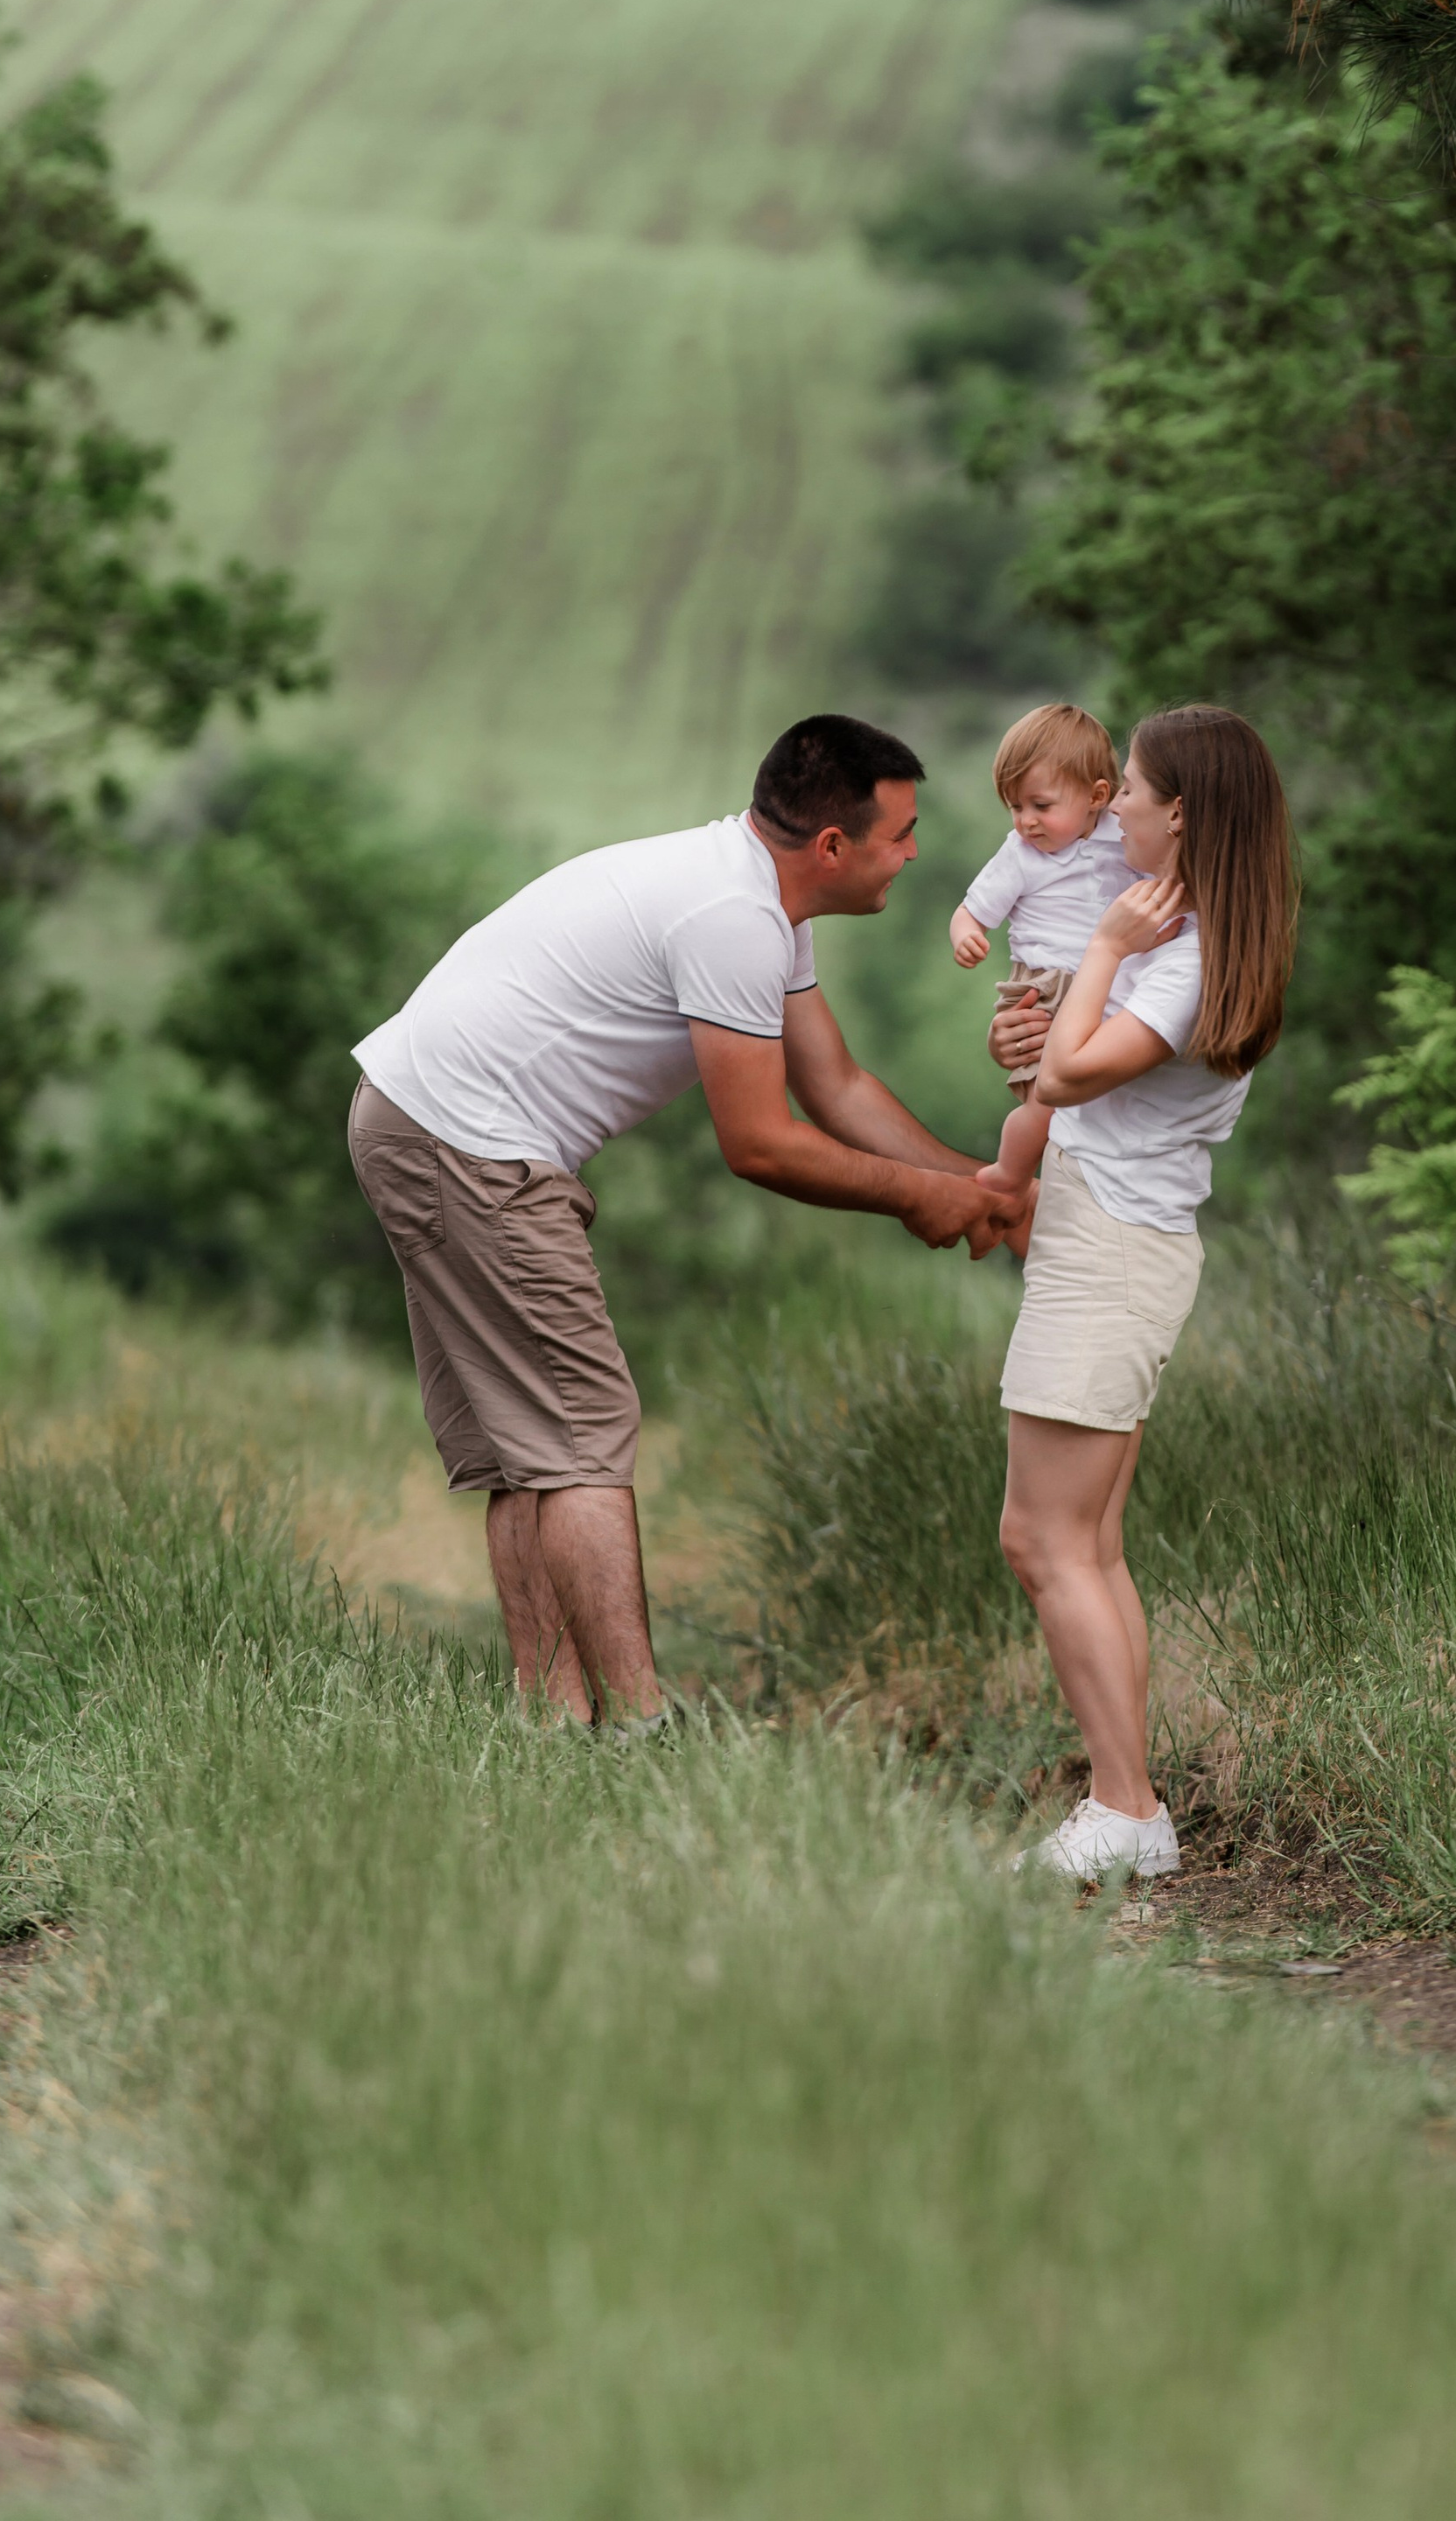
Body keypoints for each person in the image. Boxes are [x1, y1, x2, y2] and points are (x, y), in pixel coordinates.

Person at [346, 715, 1021, 1730]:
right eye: (902, 831)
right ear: (833, 845)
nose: (917, 851)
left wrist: (978, 1182)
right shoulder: (730, 917)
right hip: (466, 1142)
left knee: (536, 1443)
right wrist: (916, 1196)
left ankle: (553, 1718)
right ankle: (642, 1730)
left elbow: (834, 1085)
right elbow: (761, 1144)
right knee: (579, 1437)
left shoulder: (760, 903)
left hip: (426, 1122)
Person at [991, 705, 1298, 1885]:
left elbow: (1073, 1070)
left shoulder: (1184, 955)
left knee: (1044, 1538)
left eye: (1128, 786)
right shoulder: (1186, 949)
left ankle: (1123, 1810)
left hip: (1114, 1253)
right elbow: (1054, 1072)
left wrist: (1105, 955)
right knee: (1089, 1543)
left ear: (1181, 811)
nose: (1110, 803)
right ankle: (1128, 1809)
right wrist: (1027, 1037)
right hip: (1107, 1237)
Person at [947, 703, 1130, 1210]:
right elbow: (970, 911)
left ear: (1098, 797)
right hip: (1046, 987)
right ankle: (1009, 1174)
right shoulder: (1019, 855)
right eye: (1014, 807)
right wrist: (966, 936)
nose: (1026, 822)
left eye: (1040, 806)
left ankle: (1085, 1191)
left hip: (1111, 982)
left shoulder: (1125, 834)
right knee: (1049, 1101)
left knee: (1104, 1097)